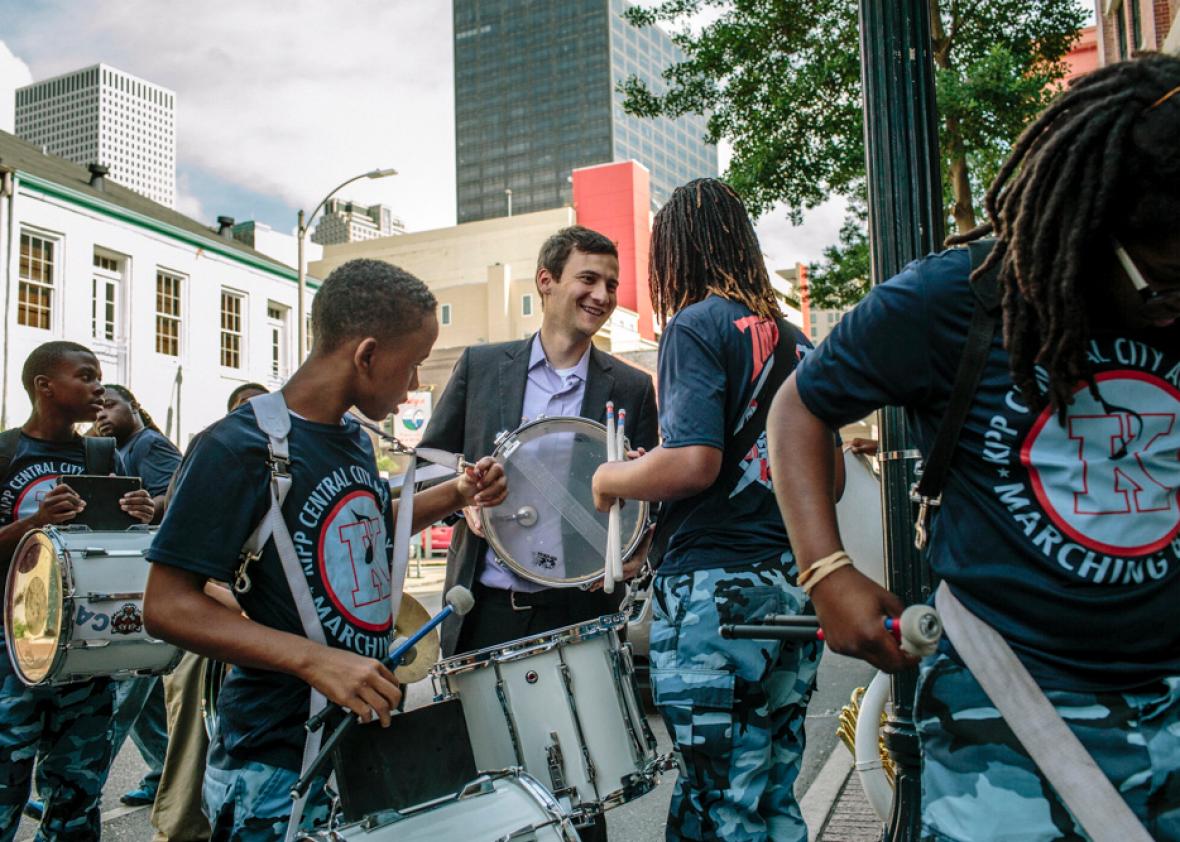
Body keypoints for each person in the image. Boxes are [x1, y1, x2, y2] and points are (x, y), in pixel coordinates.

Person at [768, 54, 1180, 840]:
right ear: (1098, 229)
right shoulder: (957, 298)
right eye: (1161, 282)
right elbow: (799, 406)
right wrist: (826, 573)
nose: (1172, 308)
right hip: (1006, 705)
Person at [143, 259, 507, 839]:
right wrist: (316, 661)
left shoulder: (352, 440)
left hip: (354, 739)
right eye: (412, 365)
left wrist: (459, 492)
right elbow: (166, 606)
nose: (414, 384)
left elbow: (360, 532)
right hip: (273, 759)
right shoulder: (236, 446)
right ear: (366, 356)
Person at [591, 179, 838, 842]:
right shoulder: (799, 341)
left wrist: (613, 475)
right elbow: (831, 477)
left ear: (677, 254)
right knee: (773, 788)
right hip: (790, 588)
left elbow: (693, 462)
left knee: (718, 796)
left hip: (714, 595)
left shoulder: (696, 326)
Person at [419, 225, 658, 658]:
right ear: (545, 281)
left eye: (611, 284)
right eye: (588, 279)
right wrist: (462, 495)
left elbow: (650, 505)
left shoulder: (632, 388)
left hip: (582, 614)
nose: (602, 295)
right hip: (485, 610)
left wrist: (642, 537)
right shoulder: (481, 366)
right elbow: (425, 467)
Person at [0, 340, 155, 841]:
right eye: (85, 376)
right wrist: (37, 522)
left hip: (84, 655)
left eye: (99, 378)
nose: (98, 388)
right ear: (45, 386)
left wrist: (141, 521)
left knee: (77, 796)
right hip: (10, 652)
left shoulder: (100, 455)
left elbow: (112, 555)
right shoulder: (6, 453)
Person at [148, 384, 268, 842]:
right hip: (204, 632)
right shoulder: (213, 454)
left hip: (250, 632)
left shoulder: (273, 462)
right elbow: (175, 576)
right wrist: (239, 605)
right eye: (244, 410)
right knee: (190, 753)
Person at [89, 385, 182, 809]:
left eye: (111, 405)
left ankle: (87, 777)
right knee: (142, 695)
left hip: (153, 579)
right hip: (135, 575)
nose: (102, 413)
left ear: (135, 408)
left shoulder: (151, 444)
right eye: (98, 408)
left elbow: (178, 492)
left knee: (127, 681)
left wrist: (150, 506)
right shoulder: (120, 449)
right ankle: (166, 772)